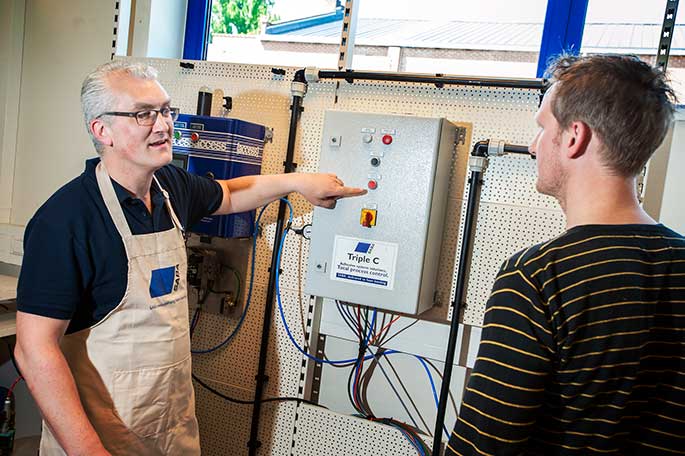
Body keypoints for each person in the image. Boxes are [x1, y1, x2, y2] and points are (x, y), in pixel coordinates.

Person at [14, 60, 366, 456]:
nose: (163, 125)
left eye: (165, 110)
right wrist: (87, 450)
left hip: (171, 429)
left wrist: (298, 183)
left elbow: (230, 194)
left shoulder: (169, 188)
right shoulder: (65, 221)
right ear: (102, 130)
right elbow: (34, 349)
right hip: (101, 437)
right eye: (144, 114)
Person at [446, 54, 684, 455]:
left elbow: (484, 446)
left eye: (542, 128)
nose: (535, 145)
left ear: (575, 137)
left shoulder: (536, 279)